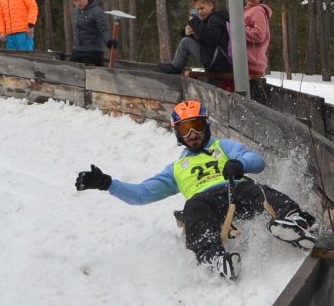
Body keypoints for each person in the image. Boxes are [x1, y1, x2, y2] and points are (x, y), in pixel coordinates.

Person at [74, 100, 318, 281]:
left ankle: (294, 221)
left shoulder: (223, 147)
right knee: (194, 208)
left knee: (259, 191)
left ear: (206, 126)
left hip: (236, 189)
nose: (192, 135)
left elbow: (257, 160)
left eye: (197, 127)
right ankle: (213, 257)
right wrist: (107, 184)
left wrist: (239, 164)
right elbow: (142, 194)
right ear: (177, 133)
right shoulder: (177, 168)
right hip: (206, 205)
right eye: (185, 129)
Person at [157, 0, 231, 74]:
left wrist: (195, 22)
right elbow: (203, 40)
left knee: (185, 42)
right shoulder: (207, 21)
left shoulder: (215, 19)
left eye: (202, 8)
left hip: (216, 60)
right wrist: (188, 34)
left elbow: (211, 39)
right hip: (216, 60)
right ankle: (175, 66)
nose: (199, 12)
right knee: (186, 40)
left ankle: (175, 68)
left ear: (211, 6)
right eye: (197, 10)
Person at [68, 0, 118, 66]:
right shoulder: (76, 11)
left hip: (92, 51)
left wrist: (109, 41)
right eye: (75, 1)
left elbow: (103, 29)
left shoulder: (96, 11)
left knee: (89, 75)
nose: (78, 3)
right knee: (71, 72)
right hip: (77, 49)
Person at [243, 0, 272, 77]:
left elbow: (259, 35)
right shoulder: (247, 11)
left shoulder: (257, 10)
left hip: (251, 65)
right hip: (246, 64)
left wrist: (239, 28)